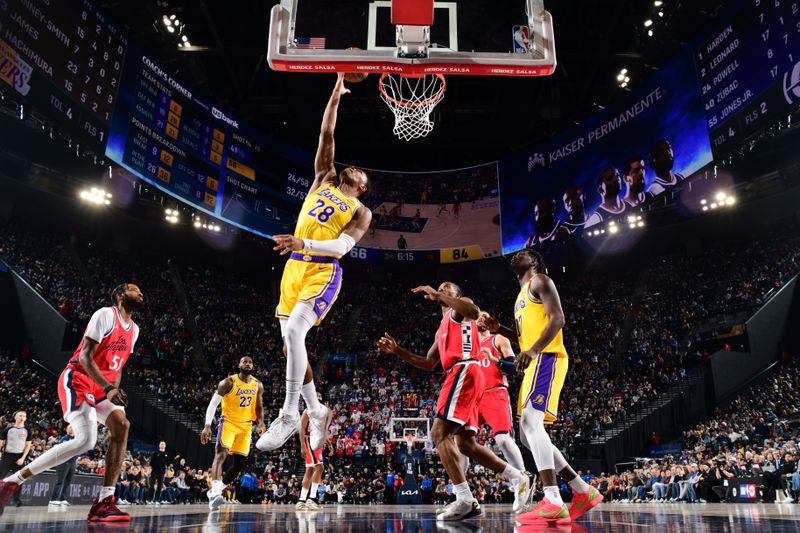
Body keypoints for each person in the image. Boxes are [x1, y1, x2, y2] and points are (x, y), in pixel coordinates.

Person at [260, 73, 372, 455]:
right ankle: (317, 409)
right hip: (294, 268)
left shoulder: (361, 210)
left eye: (361, 173)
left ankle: (291, 414)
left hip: (323, 271)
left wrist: (303, 241)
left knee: (294, 334)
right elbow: (326, 134)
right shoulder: (323, 178)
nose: (354, 168)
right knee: (293, 349)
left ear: (362, 186)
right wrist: (335, 93)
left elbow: (341, 247)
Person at [377, 282, 530, 521]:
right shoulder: (442, 328)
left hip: (464, 370)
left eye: (448, 288)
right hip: (465, 374)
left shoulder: (459, 309)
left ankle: (465, 499)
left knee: (438, 434)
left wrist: (439, 295)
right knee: (466, 444)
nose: (443, 289)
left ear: (456, 295)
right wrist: (398, 352)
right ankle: (517, 477)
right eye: (441, 287)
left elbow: (473, 311)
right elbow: (429, 363)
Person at [0, 283, 143, 522]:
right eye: (134, 289)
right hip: (79, 378)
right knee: (87, 439)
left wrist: (113, 388)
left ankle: (104, 501)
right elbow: (85, 356)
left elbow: (119, 366)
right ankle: (11, 482)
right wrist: (108, 388)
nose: (140, 293)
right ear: (120, 295)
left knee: (122, 425)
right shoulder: (106, 315)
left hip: (103, 386)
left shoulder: (135, 330)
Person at [481, 249, 603, 526]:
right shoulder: (521, 296)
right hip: (535, 361)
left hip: (546, 357)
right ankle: (582, 490)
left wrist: (535, 350)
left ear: (534, 261)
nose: (515, 256)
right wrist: (502, 329)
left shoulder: (540, 281)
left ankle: (553, 500)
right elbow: (524, 338)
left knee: (531, 424)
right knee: (526, 434)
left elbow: (558, 319)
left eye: (522, 253)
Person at [201, 356, 265, 511]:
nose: (248, 364)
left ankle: (215, 491)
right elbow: (213, 404)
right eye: (244, 361)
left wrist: (261, 422)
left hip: (246, 426)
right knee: (221, 455)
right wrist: (207, 425)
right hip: (228, 422)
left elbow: (259, 406)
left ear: (253, 366)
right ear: (239, 364)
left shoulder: (258, 385)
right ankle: (215, 492)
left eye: (250, 362)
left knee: (239, 465)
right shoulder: (228, 382)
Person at [475, 313, 525, 474]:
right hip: (474, 399)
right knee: (459, 442)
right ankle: (462, 493)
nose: (481, 318)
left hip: (495, 393)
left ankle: (523, 477)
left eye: (485, 316)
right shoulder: (469, 346)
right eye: (478, 316)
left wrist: (495, 360)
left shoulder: (498, 339)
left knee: (503, 440)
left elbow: (514, 368)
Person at [296, 410, 328, 510]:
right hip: (310, 440)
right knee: (319, 467)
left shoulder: (319, 411)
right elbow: (301, 429)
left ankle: (301, 501)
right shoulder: (307, 411)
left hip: (316, 440)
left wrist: (328, 443)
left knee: (309, 471)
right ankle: (312, 499)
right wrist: (302, 446)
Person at [0, 411, 32, 508]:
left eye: (24, 416)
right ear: (15, 417)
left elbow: (28, 446)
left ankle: (16, 500)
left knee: (19, 479)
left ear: (26, 418)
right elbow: (1, 442)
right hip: (7, 456)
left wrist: (23, 458)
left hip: (19, 457)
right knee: (1, 476)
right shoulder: (8, 429)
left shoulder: (27, 430)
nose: (22, 417)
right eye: (20, 415)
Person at [48, 425, 78, 506]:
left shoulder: (76, 439)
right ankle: (53, 499)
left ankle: (62, 498)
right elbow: (63, 450)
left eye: (73, 427)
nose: (72, 429)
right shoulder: (64, 439)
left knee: (67, 482)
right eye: (70, 427)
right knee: (60, 481)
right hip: (63, 462)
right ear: (67, 429)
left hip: (72, 463)